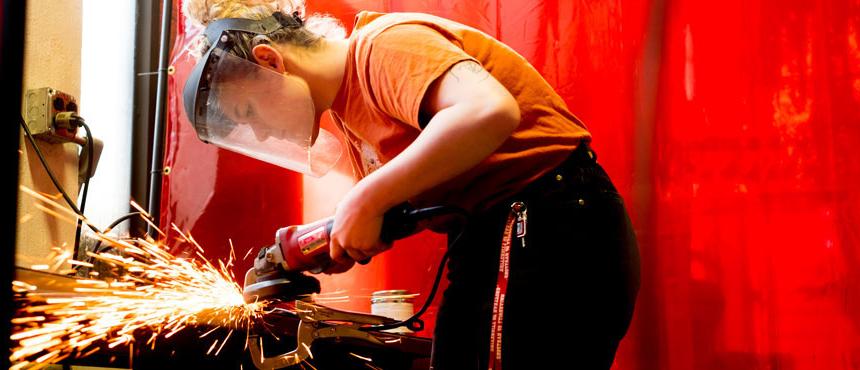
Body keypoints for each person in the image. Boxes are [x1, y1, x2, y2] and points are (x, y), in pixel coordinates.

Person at [182, 0, 640, 368]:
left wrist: (369, 196)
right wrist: (337, 238)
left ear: (270, 60)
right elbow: (418, 193)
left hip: (547, 221)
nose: (259, 133)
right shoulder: (351, 116)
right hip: (490, 236)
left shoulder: (384, 47)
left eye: (248, 114)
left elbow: (488, 111)